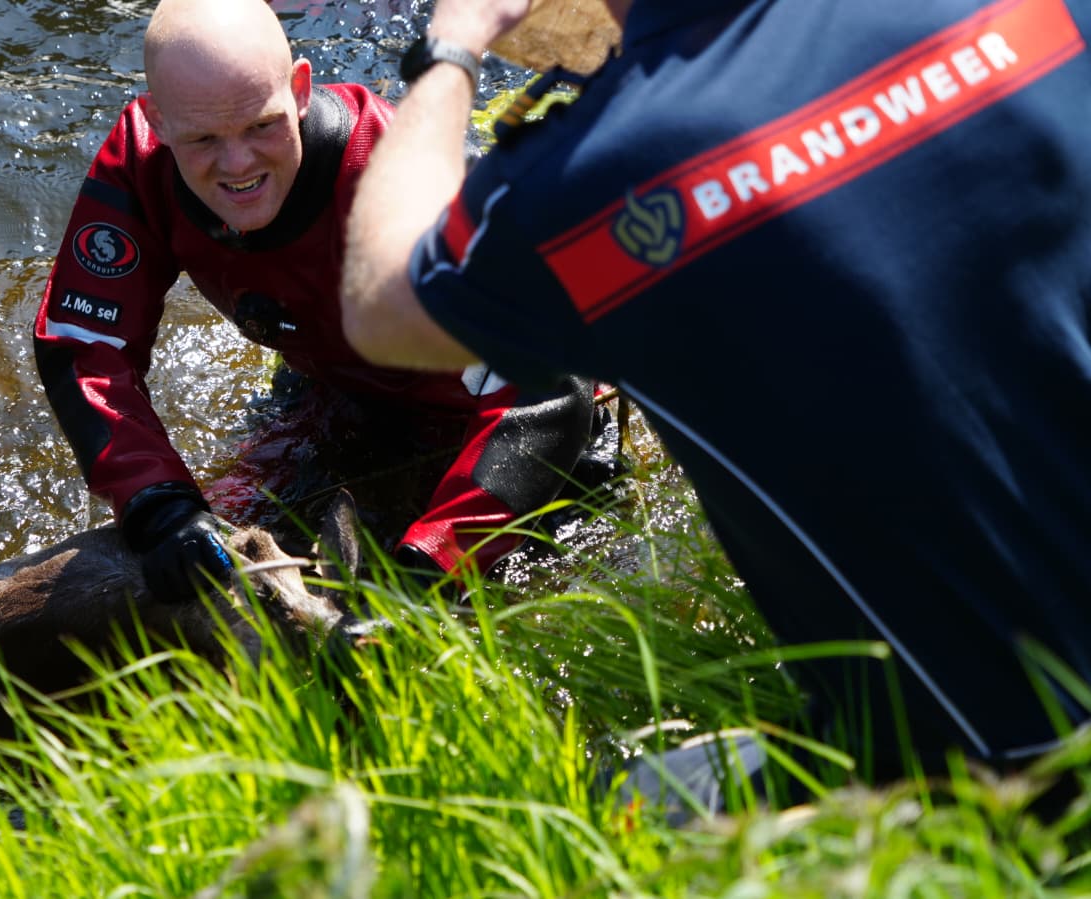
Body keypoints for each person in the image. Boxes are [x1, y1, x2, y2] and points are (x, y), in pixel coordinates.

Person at [340, 0, 1091, 776]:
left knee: (628, 793)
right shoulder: (1029, 16)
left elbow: (378, 304)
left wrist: (450, 52)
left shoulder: (591, 184)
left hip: (1009, 778)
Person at [33, 0, 603, 603]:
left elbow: (555, 381)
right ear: (159, 120)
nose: (237, 165)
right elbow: (86, 344)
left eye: (261, 125)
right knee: (198, 574)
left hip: (497, 437)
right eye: (202, 138)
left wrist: (428, 572)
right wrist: (160, 505)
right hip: (336, 396)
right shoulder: (141, 168)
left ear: (301, 90)